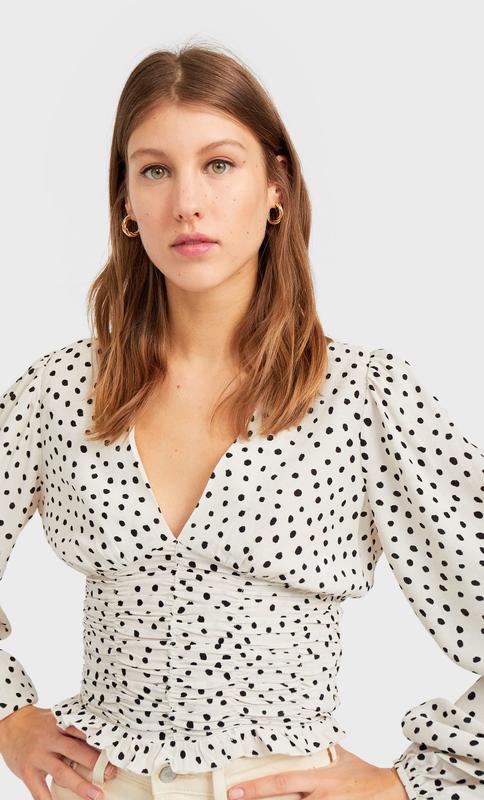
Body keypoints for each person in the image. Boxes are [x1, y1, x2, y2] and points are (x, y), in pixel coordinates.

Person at [0, 42, 482, 800]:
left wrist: (410, 781)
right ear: (126, 202)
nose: (187, 202)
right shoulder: (60, 392)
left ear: (276, 187)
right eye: (154, 170)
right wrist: (10, 716)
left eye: (219, 164)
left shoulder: (364, 396)